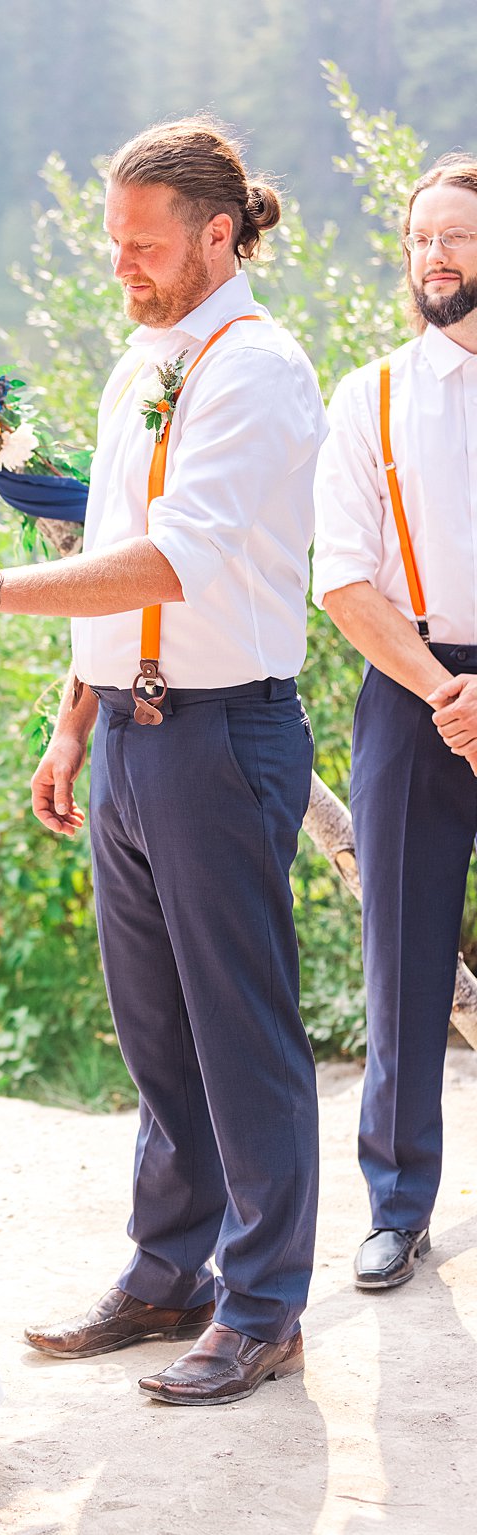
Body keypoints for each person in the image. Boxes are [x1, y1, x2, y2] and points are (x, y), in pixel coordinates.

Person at [0, 117, 327, 1405]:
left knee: (239, 1032)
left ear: (215, 233)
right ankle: (164, 1273)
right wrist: (70, 715)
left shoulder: (255, 368)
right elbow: (112, 548)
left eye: (141, 248)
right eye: (111, 246)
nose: (120, 268)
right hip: (133, 738)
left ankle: (261, 1305)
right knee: (154, 1034)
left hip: (223, 731)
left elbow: (172, 559)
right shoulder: (143, 360)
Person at [312, 153, 477, 1292]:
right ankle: (395, 1203)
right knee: (402, 956)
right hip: (410, 688)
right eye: (420, 235)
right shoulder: (364, 394)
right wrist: (442, 691)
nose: (433, 254)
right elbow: (340, 578)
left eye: (454, 235)